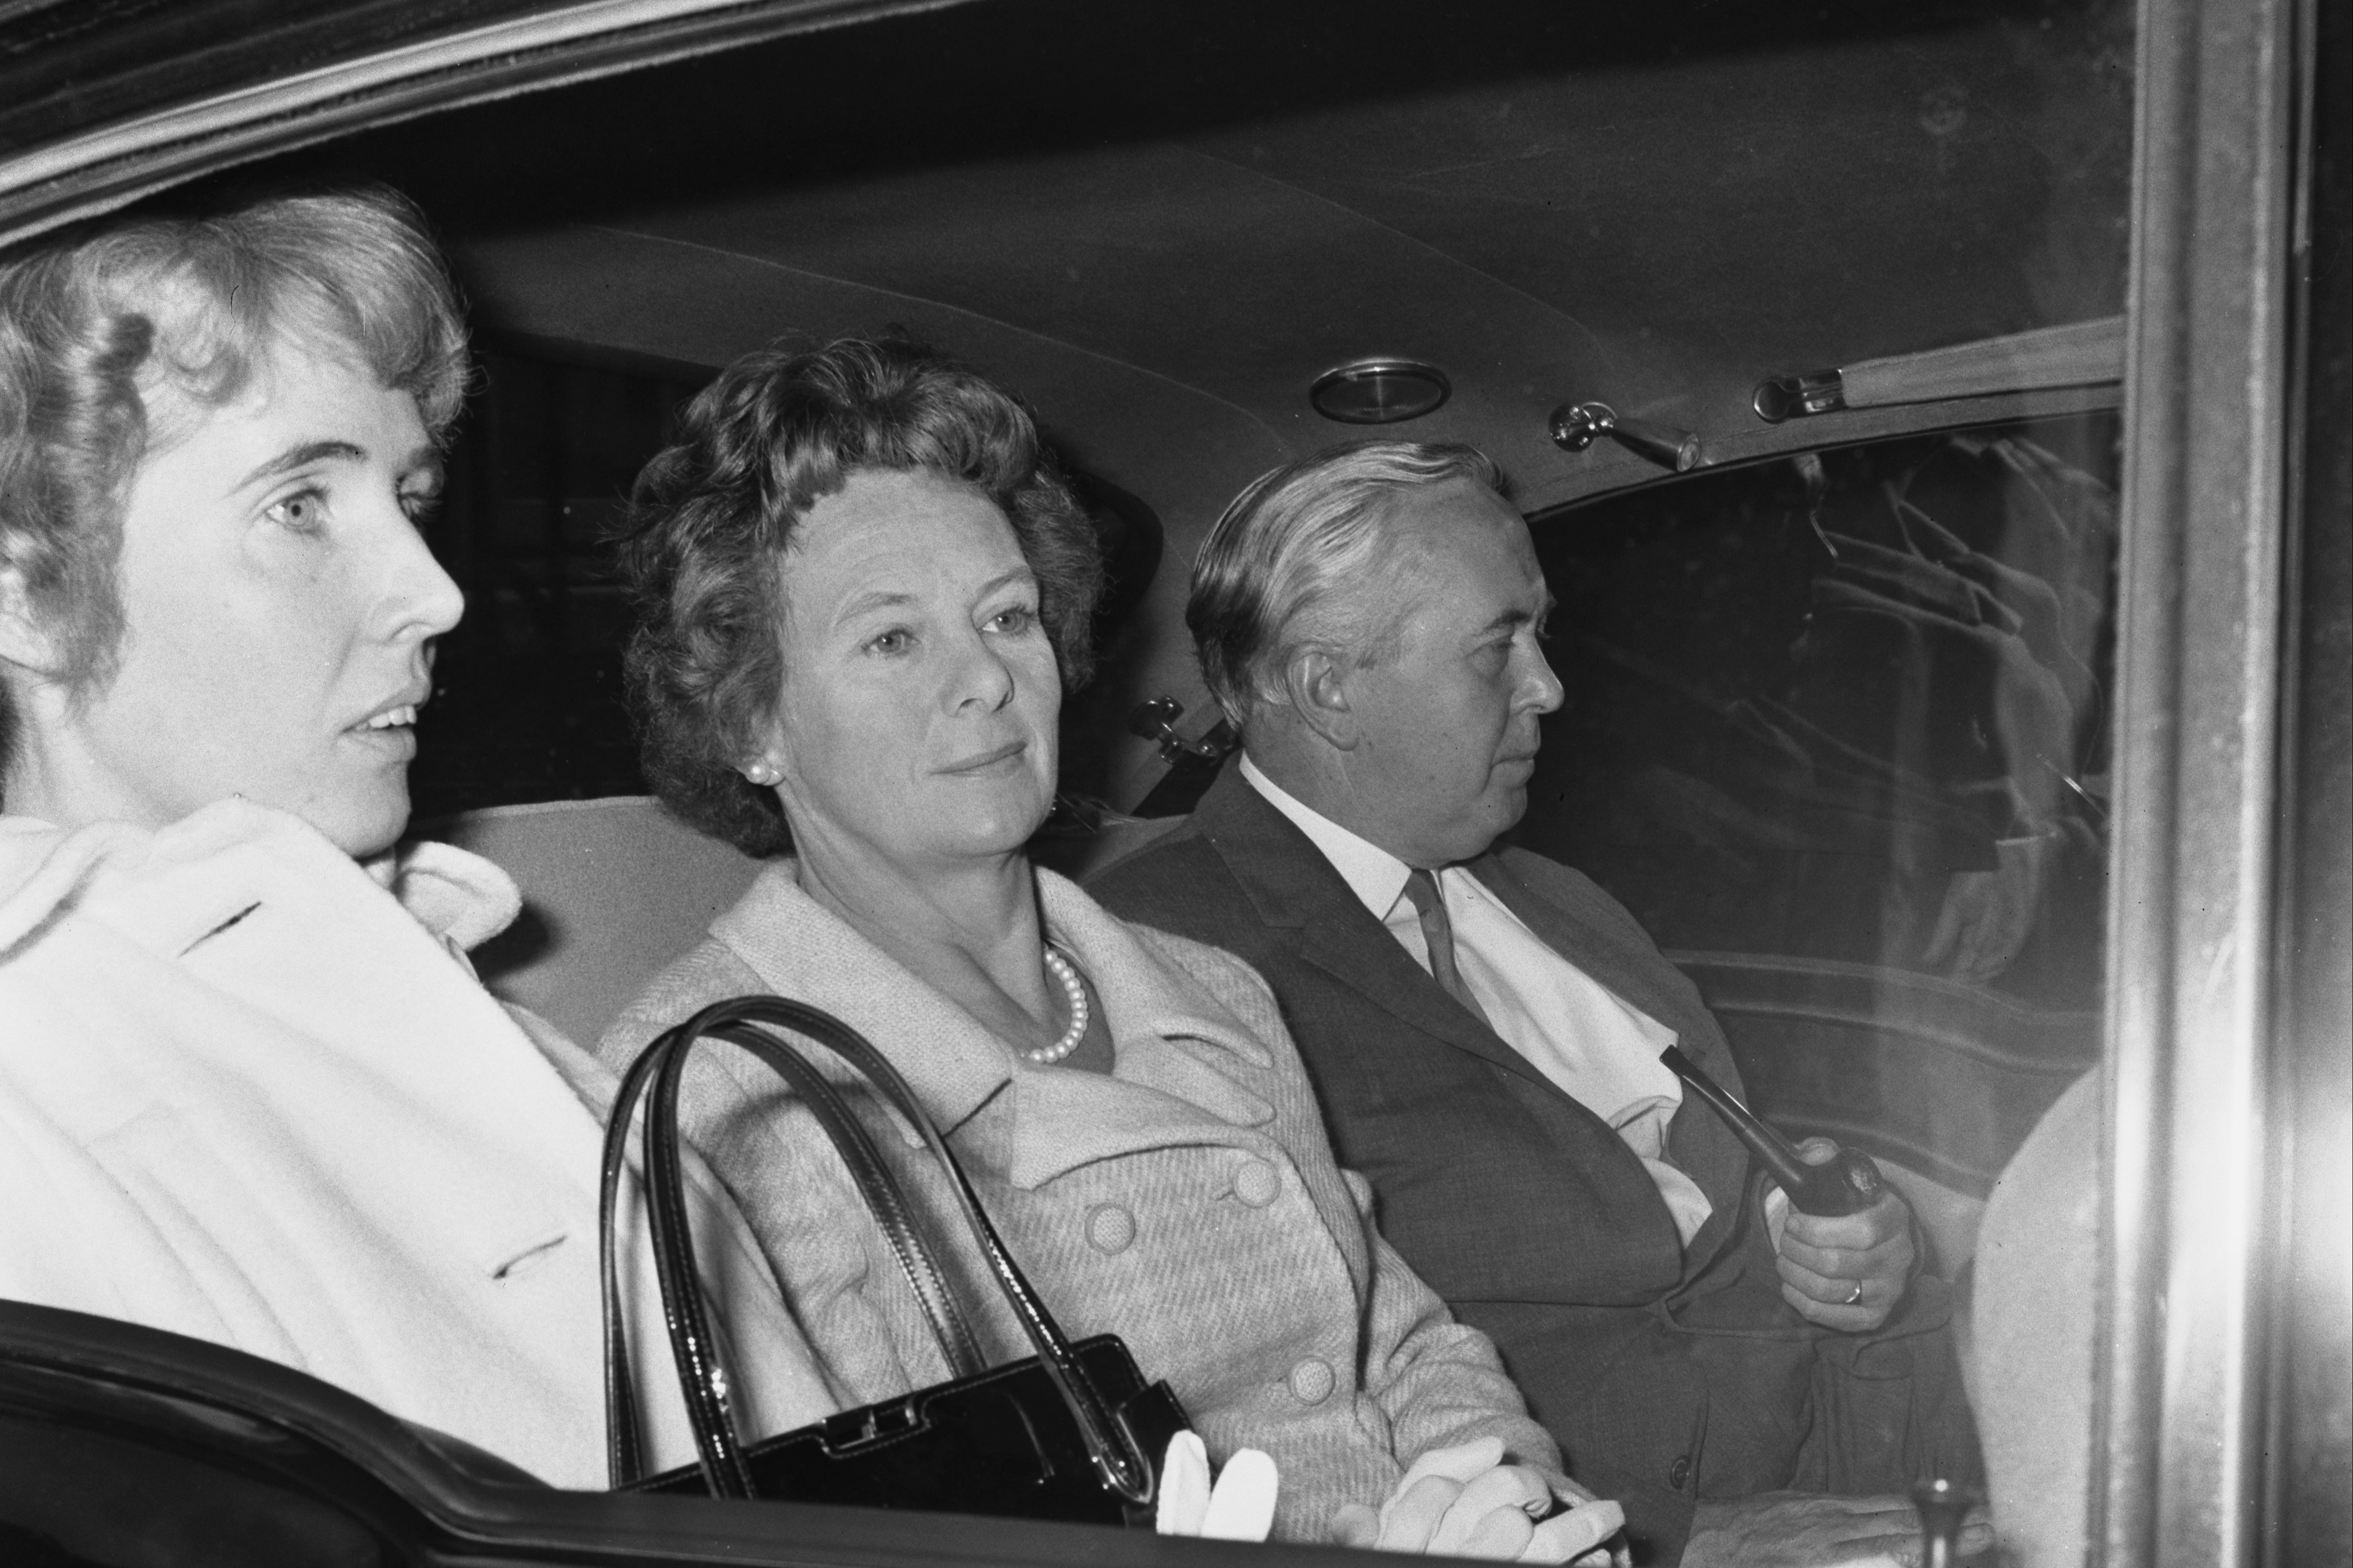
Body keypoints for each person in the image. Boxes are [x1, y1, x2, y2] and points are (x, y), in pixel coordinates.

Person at [600, 336, 1624, 1560]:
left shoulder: (1206, 990)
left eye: (1007, 615)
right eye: (891, 639)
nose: (984, 676)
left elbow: (1401, 1343)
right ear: (751, 716)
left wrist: (1501, 1495)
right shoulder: (722, 1093)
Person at [0, 190, 834, 1489]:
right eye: (299, 505)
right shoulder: (32, 1107)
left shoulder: (462, 1010)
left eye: (409, 493)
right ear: (29, 599)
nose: (435, 589)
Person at [1087, 441, 1990, 1567]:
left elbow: (1709, 1224)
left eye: (1538, 632)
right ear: (1327, 688)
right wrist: (1673, 1544)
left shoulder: (1560, 903)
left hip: (1856, 1482)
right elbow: (1244, 1406)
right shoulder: (1150, 951)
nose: (1547, 686)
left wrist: (1851, 1255)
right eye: (1494, 647)